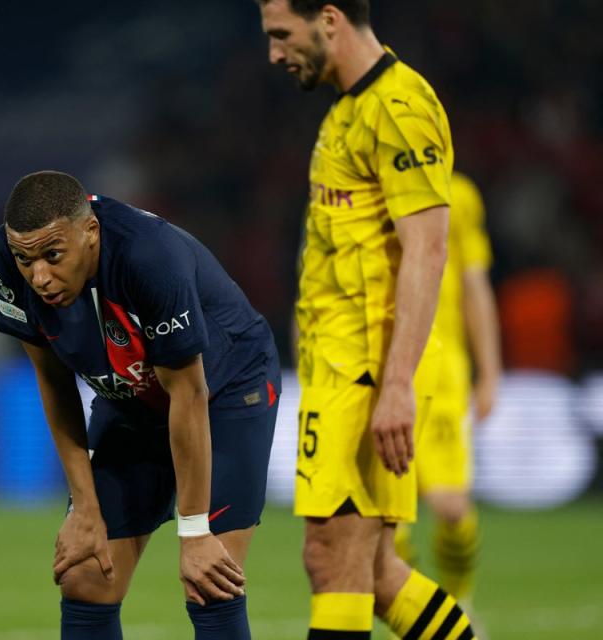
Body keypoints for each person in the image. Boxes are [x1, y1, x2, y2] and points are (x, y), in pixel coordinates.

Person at [255, 1, 478, 638]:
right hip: (337, 366)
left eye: (281, 35)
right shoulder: (345, 112)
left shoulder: (400, 107)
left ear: (329, 19)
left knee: (332, 558)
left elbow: (429, 249)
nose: (274, 53)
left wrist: (398, 384)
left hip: (368, 370)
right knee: (376, 572)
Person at [0, 171, 281, 639]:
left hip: (226, 393)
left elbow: (188, 395)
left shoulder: (149, 257)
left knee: (211, 580)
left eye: (52, 255)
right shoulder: (10, 257)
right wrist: (84, 508)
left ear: (91, 232)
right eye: (26, 260)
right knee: (85, 574)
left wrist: (194, 531)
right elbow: (53, 379)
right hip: (129, 397)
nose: (39, 276)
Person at [394, 172, 502, 619]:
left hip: (444, 370)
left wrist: (490, 371)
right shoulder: (356, 187)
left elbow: (474, 284)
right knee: (386, 526)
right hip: (380, 367)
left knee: (452, 507)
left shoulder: (457, 194)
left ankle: (460, 604)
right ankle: (428, 620)